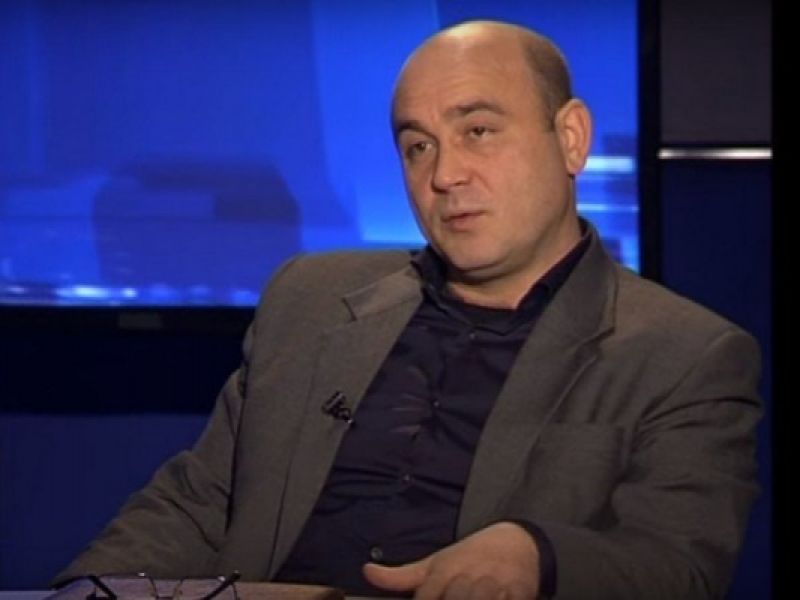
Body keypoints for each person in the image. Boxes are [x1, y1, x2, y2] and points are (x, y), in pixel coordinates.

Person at [54, 20, 762, 600]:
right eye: (418, 146)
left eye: (477, 131)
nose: (444, 175)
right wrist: (88, 591)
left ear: (571, 138)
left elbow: (678, 565)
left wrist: (537, 554)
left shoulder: (685, 354)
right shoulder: (309, 298)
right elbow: (197, 500)